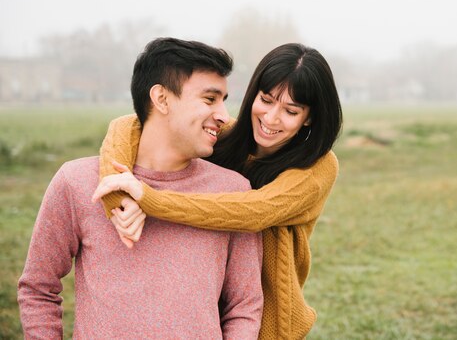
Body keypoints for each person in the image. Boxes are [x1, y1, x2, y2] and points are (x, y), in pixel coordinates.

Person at [91, 42, 343, 339]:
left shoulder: (318, 166)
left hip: (267, 325)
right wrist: (118, 198)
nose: (272, 118)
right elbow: (129, 125)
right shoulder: (225, 138)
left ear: (309, 117)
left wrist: (148, 199)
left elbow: (255, 210)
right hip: (201, 309)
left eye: (290, 110)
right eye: (266, 100)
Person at [18, 38, 263, 339]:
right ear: (161, 98)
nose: (225, 116)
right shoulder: (77, 182)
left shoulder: (234, 192)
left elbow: (244, 307)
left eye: (224, 100)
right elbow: (38, 288)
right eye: (210, 99)